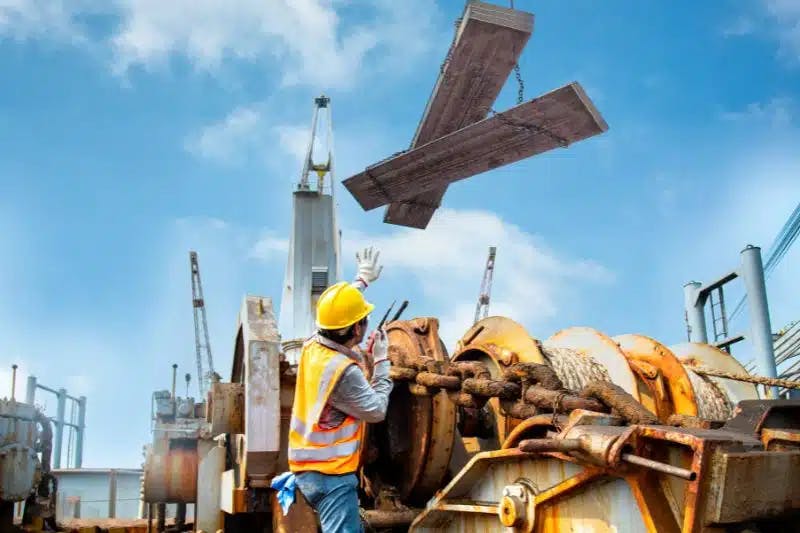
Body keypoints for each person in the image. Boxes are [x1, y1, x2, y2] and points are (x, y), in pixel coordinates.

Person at [288, 247, 392, 532]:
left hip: (307, 467)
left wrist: (362, 280)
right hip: (330, 475)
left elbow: (337, 314)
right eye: (363, 320)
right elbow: (376, 411)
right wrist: (382, 361)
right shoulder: (342, 372)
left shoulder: (313, 343)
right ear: (357, 330)